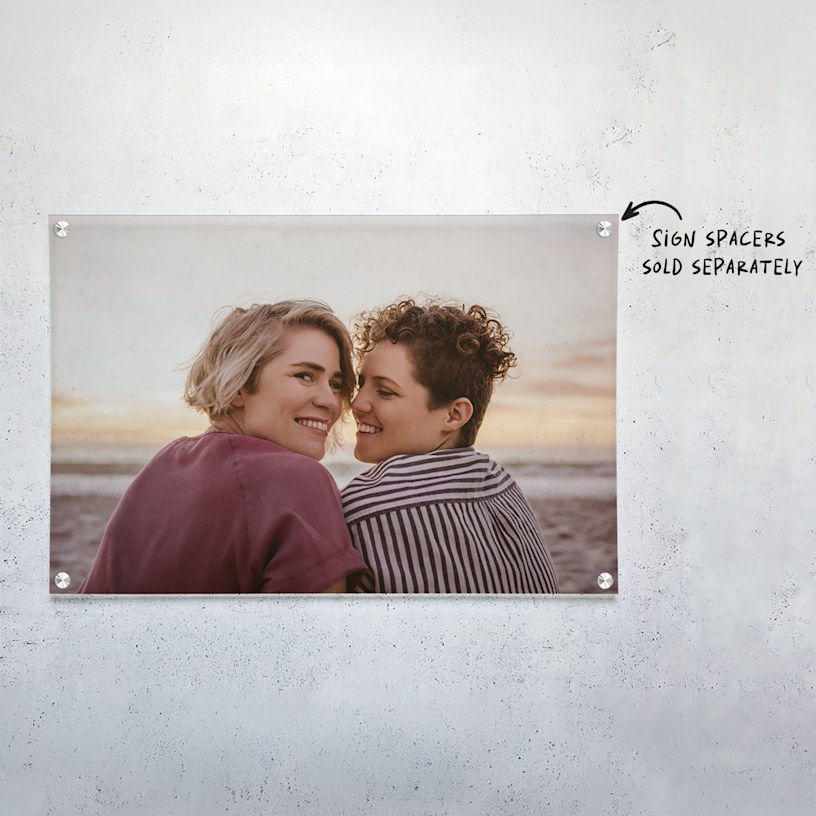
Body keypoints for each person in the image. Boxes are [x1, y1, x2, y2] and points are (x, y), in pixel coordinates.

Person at [80, 300, 368, 594]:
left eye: (335, 383)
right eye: (305, 376)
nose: (330, 401)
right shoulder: (301, 479)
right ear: (238, 384)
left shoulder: (164, 464)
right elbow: (319, 635)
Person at [341, 298, 559, 594]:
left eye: (385, 391)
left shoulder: (360, 509)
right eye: (360, 385)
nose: (356, 403)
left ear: (454, 415)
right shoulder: (502, 485)